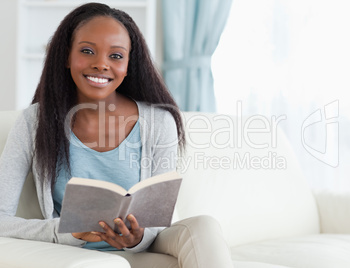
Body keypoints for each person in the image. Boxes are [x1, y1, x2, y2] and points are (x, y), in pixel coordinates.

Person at [0, 3, 233, 267]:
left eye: (116, 56)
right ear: (66, 56)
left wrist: (138, 237)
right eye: (87, 51)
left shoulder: (159, 122)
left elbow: (158, 219)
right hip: (76, 253)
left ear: (129, 64)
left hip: (148, 246)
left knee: (204, 226)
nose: (101, 64)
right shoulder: (34, 122)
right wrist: (63, 232)